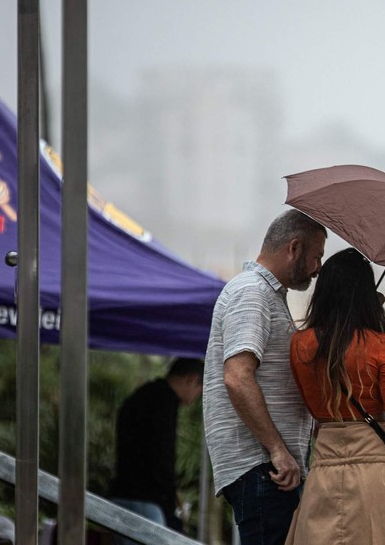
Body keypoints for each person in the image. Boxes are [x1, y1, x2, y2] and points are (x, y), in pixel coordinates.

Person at [285, 248, 385, 544]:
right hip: (380, 482)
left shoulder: (299, 345)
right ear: (367, 294)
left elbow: (313, 412)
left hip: (325, 475)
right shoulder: (380, 345)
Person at [203, 209, 327, 545]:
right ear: (294, 248)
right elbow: (237, 377)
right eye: (316, 256)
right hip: (262, 467)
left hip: (267, 468)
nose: (317, 269)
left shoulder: (265, 294)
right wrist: (277, 450)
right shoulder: (252, 293)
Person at [110, 357, 205, 541]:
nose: (196, 396)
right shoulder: (164, 402)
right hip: (146, 499)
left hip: (124, 492)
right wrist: (169, 498)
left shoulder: (145, 395)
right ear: (192, 380)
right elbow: (162, 454)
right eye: (199, 390)